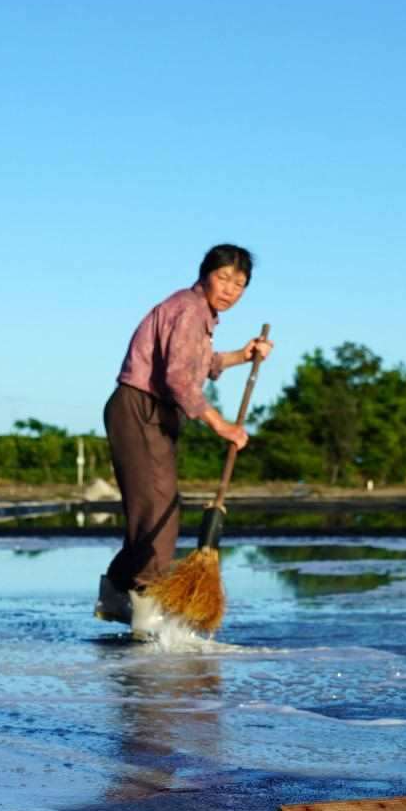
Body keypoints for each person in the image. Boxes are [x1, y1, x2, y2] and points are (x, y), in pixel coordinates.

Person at [98, 244, 272, 624]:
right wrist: (220, 424)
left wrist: (241, 356)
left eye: (239, 284)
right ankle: (146, 604)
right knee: (158, 512)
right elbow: (178, 379)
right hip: (141, 407)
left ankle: (116, 594)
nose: (230, 290)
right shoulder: (189, 309)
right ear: (205, 274)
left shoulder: (198, 314)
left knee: (152, 512)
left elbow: (200, 363)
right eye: (223, 278)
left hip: (152, 412)